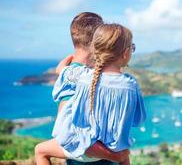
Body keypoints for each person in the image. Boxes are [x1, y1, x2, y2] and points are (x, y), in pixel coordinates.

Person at [35, 23, 146, 164]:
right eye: (132, 48)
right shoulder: (131, 84)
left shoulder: (82, 77)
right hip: (112, 149)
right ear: (125, 53)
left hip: (83, 150)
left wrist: (63, 68)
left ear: (96, 51)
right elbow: (138, 119)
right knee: (124, 157)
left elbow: (62, 70)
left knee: (40, 151)